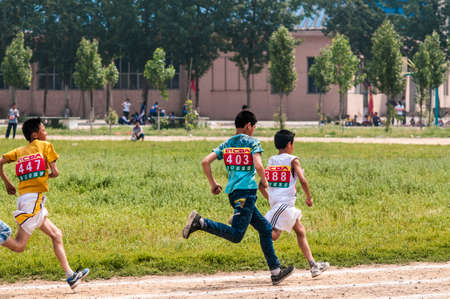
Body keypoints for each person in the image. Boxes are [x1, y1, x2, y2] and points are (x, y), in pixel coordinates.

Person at [182, 111, 294, 286]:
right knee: (236, 235)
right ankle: (201, 222)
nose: (254, 131)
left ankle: (276, 271)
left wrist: (213, 183)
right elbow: (258, 165)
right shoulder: (252, 143)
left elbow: (205, 161)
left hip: (234, 193)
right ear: (249, 125)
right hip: (246, 193)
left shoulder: (227, 144)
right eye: (254, 127)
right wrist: (265, 182)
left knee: (265, 229)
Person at [0, 118, 89, 289]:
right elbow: (55, 172)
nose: (46, 132)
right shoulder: (46, 146)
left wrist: (7, 183)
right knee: (19, 246)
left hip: (26, 200)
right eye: (44, 129)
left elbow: (0, 162)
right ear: (36, 135)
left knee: (56, 234)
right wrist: (45, 174)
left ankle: (71, 276)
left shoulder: (20, 150)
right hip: (33, 201)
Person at [260, 130, 329, 278]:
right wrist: (309, 198)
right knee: (273, 234)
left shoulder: (272, 160)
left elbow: (261, 185)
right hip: (284, 203)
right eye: (293, 143)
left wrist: (272, 199)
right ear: (289, 144)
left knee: (299, 231)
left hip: (280, 204)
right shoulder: (293, 160)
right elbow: (303, 180)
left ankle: (313, 265)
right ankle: (250, 221)